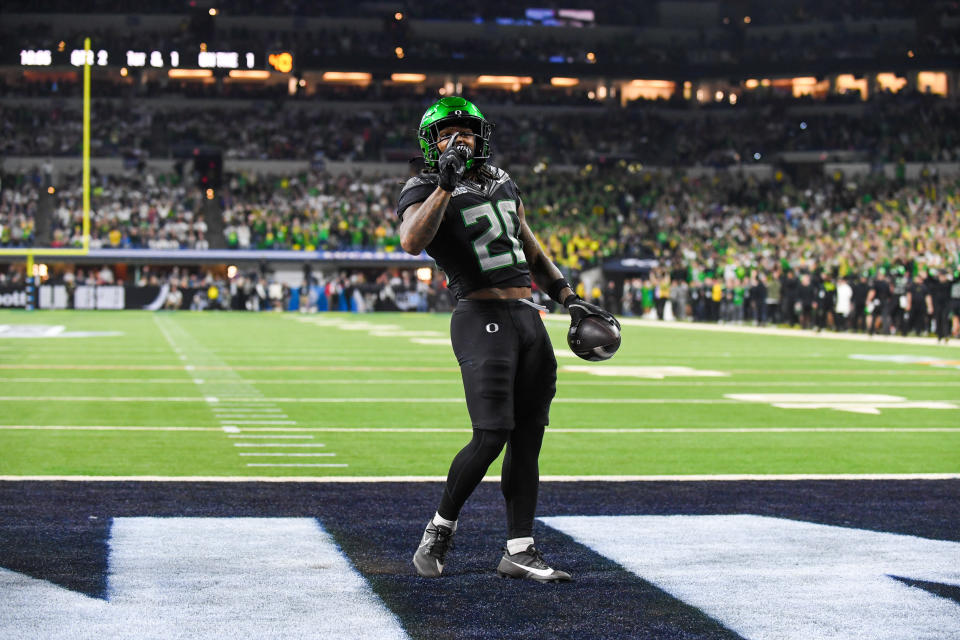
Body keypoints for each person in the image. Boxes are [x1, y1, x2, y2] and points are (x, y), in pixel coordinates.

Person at [397, 96, 617, 583]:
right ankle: (439, 528)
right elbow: (412, 241)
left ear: (482, 135)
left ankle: (519, 549)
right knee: (491, 433)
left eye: (467, 131)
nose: (459, 139)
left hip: (527, 317)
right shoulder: (423, 185)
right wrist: (446, 186)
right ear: (431, 143)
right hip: (480, 315)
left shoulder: (502, 181)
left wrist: (568, 296)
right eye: (447, 133)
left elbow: (529, 244)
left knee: (529, 436)